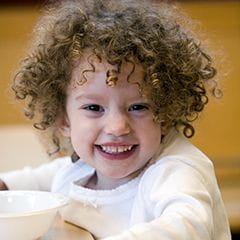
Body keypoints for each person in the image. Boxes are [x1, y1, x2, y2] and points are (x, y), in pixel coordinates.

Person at [0, 0, 231, 239]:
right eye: (93, 107)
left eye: (138, 107)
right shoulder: (86, 165)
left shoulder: (175, 171)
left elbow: (188, 225)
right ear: (64, 120)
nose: (117, 127)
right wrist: (7, 184)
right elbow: (54, 175)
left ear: (165, 114)